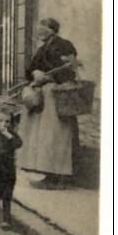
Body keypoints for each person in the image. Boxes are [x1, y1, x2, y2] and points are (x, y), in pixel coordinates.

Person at [18, 18, 80, 189]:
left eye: (44, 28)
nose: (40, 31)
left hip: (57, 96)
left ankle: (59, 177)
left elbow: (69, 70)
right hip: (43, 96)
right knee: (43, 136)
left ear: (53, 30)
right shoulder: (41, 49)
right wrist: (35, 72)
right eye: (39, 27)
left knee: (56, 135)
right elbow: (29, 69)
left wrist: (49, 77)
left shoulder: (65, 45)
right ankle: (48, 172)